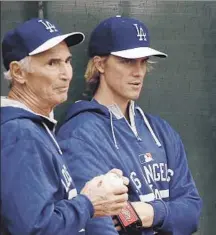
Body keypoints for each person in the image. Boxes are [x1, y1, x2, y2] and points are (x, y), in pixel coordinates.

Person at [56, 16, 202, 235]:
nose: (139, 71)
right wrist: (140, 217)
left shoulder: (160, 131)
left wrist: (150, 213)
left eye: (143, 61)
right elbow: (99, 222)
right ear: (100, 64)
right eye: (127, 61)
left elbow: (191, 213)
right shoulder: (80, 134)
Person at [1, 18, 130, 235]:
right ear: (18, 72)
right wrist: (89, 203)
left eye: (67, 61)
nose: (66, 74)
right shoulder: (20, 133)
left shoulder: (33, 127)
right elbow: (35, 229)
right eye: (52, 63)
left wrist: (95, 192)